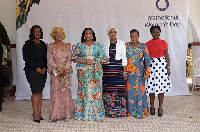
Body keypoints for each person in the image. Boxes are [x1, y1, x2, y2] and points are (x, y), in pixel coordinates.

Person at [72, 28, 107, 121]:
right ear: (84, 35)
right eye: (86, 33)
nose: (88, 35)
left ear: (93, 35)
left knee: (95, 91)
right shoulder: (79, 45)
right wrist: (85, 61)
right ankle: (82, 114)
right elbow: (74, 57)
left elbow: (104, 57)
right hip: (82, 71)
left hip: (94, 71)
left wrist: (94, 61)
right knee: (84, 91)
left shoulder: (98, 45)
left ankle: (97, 114)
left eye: (90, 33)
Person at [47, 27, 74, 122]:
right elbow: (50, 59)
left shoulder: (67, 45)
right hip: (55, 72)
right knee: (56, 92)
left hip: (66, 72)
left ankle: (66, 114)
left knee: (66, 92)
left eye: (61, 34)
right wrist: (57, 68)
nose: (59, 36)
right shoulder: (50, 46)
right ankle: (56, 115)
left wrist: (65, 68)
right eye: (57, 34)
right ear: (53, 35)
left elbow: (70, 58)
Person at [145, 26, 172, 117]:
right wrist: (146, 69)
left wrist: (168, 68)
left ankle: (160, 107)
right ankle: (152, 106)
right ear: (151, 33)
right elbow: (146, 57)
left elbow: (167, 56)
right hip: (151, 66)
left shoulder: (164, 43)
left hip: (162, 67)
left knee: (162, 88)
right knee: (151, 87)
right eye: (154, 32)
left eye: (157, 32)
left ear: (160, 32)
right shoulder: (147, 44)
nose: (156, 34)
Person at [22, 25, 47, 123]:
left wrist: (45, 67)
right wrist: (36, 68)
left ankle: (39, 112)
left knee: (40, 92)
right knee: (35, 92)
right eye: (35, 32)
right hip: (32, 70)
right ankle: (35, 113)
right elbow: (26, 58)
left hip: (43, 71)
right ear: (32, 33)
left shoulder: (43, 44)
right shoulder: (28, 44)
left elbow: (46, 58)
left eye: (39, 32)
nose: (37, 33)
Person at [102, 26, 127, 118]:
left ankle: (120, 112)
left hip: (118, 69)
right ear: (108, 34)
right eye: (111, 32)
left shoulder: (121, 43)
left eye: (114, 32)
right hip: (108, 70)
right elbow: (102, 58)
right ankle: (109, 111)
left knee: (119, 89)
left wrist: (125, 72)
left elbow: (124, 58)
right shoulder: (105, 44)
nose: (113, 34)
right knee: (108, 89)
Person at [125, 29, 151, 118]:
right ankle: (131, 112)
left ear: (138, 36)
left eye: (135, 36)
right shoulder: (126, 46)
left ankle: (141, 111)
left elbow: (147, 60)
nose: (134, 38)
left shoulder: (143, 46)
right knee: (130, 92)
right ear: (130, 37)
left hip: (140, 73)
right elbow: (123, 59)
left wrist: (147, 72)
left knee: (140, 91)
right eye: (132, 36)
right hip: (129, 73)